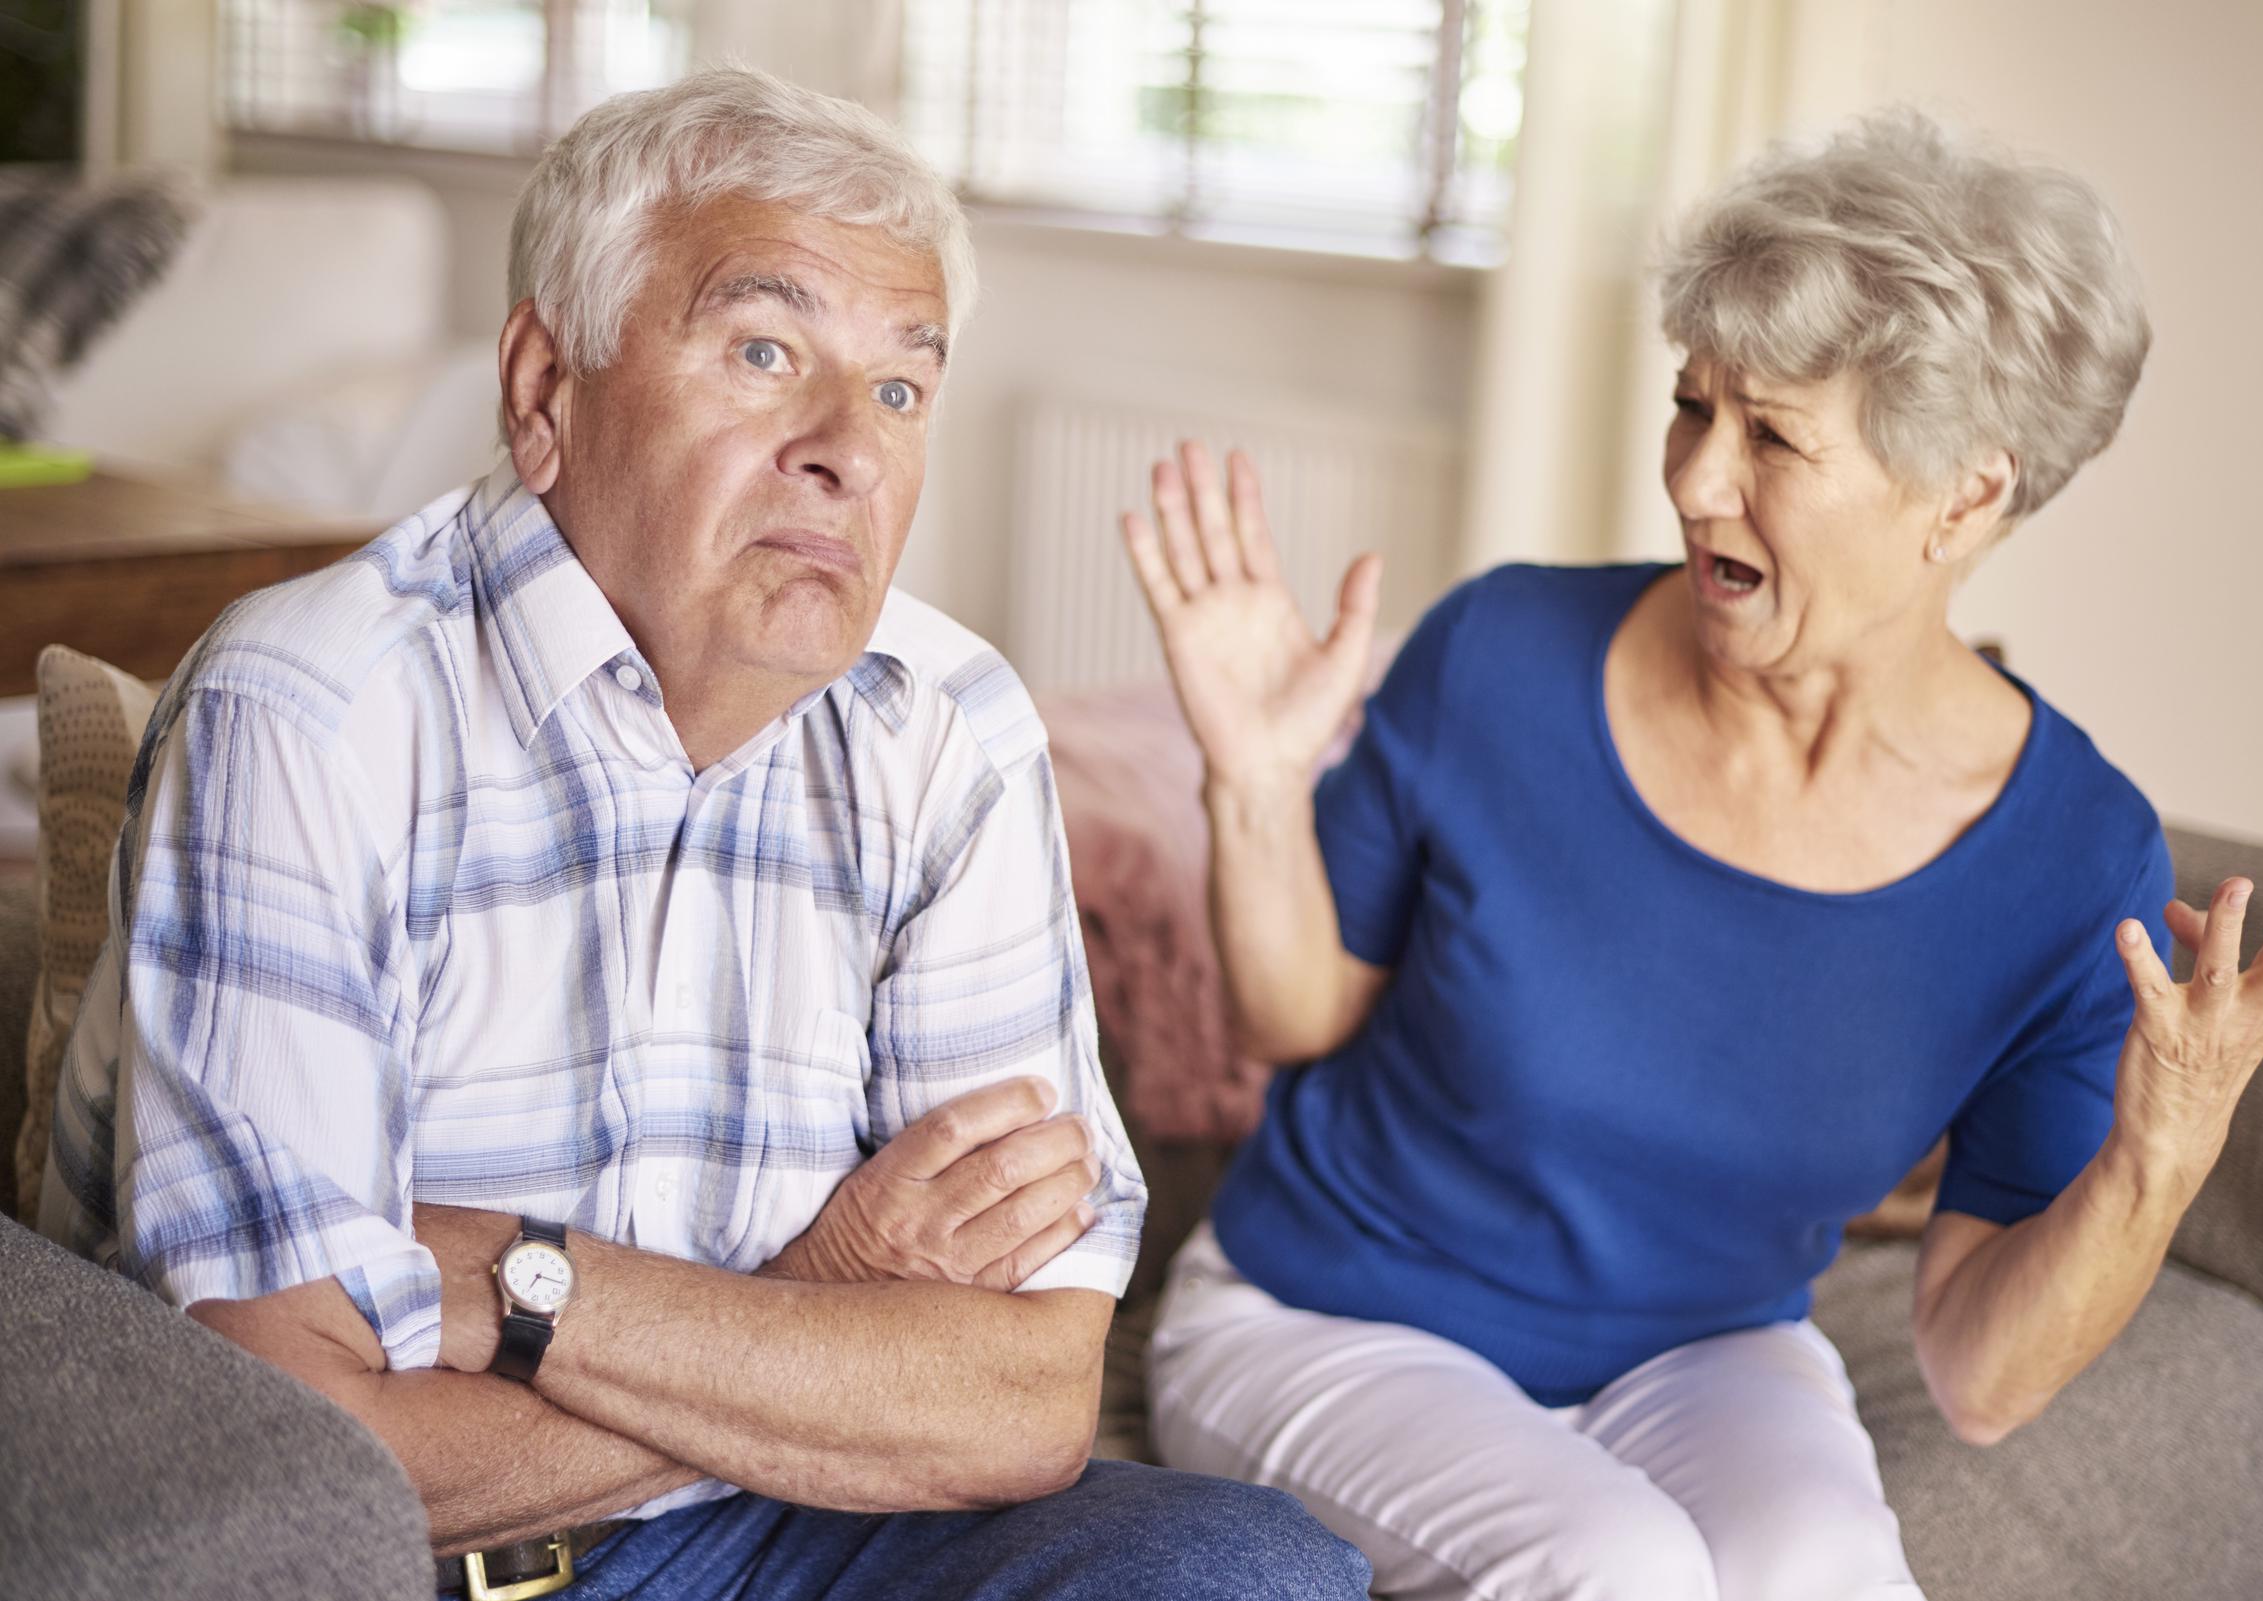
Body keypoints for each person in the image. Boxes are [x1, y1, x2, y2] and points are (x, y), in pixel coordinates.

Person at [39, 66, 1368, 1601]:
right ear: (545, 390)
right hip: (405, 1567)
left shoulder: (950, 727)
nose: (847, 449)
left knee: (1246, 1565)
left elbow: (1022, 1399)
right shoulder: (307, 713)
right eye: (762, 347)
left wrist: (515, 1280)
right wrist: (818, 1306)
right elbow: (305, 1438)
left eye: (900, 387)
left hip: (802, 1537)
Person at [1122, 109, 2263, 1601]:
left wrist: (2158, 1161)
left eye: (1773, 435)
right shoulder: (1503, 652)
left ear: (1967, 493)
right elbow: (1293, 1014)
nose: (1698, 479)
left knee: (1826, 1573)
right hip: (1326, 1313)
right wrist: (1251, 784)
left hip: (1705, 1346)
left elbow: (1981, 1374)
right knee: (1620, 1566)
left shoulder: (2073, 858)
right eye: (1693, 405)